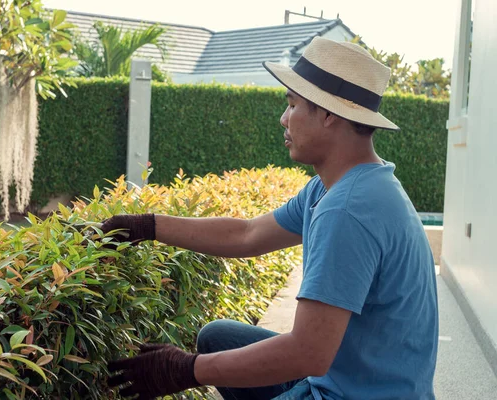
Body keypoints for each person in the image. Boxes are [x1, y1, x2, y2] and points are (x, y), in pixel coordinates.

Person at [104, 36, 438, 400]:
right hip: (354, 378)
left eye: (292, 105)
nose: (283, 119)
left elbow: (308, 353)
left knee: (215, 355)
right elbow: (246, 234)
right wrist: (146, 225)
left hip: (351, 394)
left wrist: (187, 370)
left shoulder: (348, 210)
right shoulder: (338, 187)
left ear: (328, 115)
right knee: (218, 337)